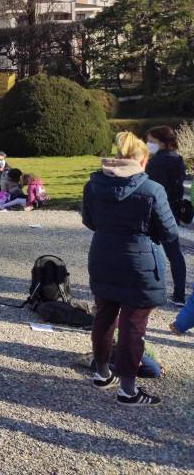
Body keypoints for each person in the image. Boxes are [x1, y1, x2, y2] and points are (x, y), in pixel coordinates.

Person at [82, 132, 178, 406]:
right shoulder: (152, 190)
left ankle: (102, 373)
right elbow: (169, 231)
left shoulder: (93, 185)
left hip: (102, 255)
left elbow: (90, 220)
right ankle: (127, 389)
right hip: (140, 263)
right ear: (142, 160)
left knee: (104, 317)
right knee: (133, 325)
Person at [145, 125, 188, 305]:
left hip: (155, 210)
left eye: (151, 141)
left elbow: (149, 187)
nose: (148, 144)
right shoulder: (178, 159)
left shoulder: (156, 162)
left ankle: (149, 288)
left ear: (162, 142)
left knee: (150, 251)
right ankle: (179, 294)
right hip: (172, 210)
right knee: (174, 253)